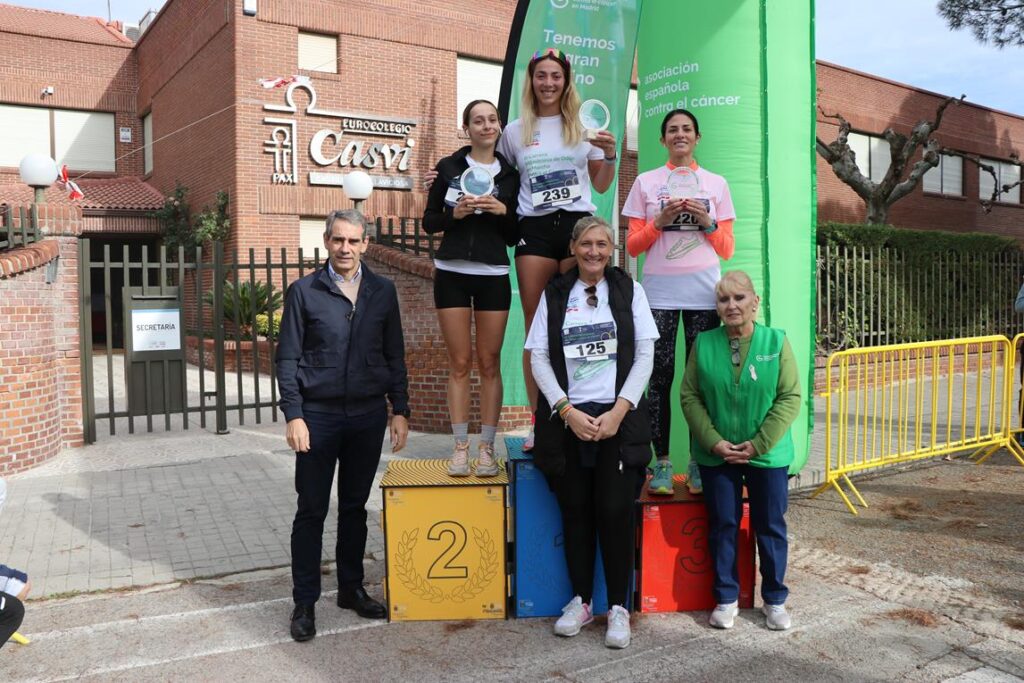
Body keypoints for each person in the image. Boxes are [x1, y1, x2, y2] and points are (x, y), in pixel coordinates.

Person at [525, 216, 659, 650]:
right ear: (573, 247)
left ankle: (618, 607)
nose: (594, 252)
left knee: (615, 513)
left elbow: (644, 355)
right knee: (576, 513)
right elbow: (539, 357)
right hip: (570, 422)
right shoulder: (556, 293)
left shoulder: (628, 290)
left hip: (617, 422)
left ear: (612, 249)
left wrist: (621, 410)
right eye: (586, 244)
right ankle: (581, 602)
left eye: (602, 244)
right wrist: (565, 410)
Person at [276, 209, 410, 642]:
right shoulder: (303, 292)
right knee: (311, 509)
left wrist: (401, 409)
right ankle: (304, 602)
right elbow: (287, 358)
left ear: (366, 244)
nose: (345, 249)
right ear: (327, 242)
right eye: (338, 241)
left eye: (353, 241)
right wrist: (293, 414)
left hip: (368, 415)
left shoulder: (383, 291)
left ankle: (351, 589)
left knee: (355, 507)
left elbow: (395, 355)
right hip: (317, 417)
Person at [497, 47, 619, 450]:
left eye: (556, 76)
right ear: (531, 81)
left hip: (575, 227)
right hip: (534, 230)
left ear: (567, 82)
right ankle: (539, 423)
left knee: (574, 325)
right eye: (541, 76)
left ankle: (578, 410)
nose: (548, 83)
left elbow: (601, 185)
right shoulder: (515, 131)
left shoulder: (584, 127)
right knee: (537, 331)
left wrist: (612, 154)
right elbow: (492, 174)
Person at [622, 109, 736, 497]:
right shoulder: (646, 182)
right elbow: (633, 246)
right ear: (662, 140)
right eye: (673, 130)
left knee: (702, 380)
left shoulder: (717, 184)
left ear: (697, 138)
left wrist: (707, 221)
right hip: (659, 295)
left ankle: (699, 462)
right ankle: (662, 464)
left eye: (687, 129)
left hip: (704, 294)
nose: (680, 135)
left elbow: (727, 247)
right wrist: (660, 221)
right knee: (659, 378)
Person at [680, 270, 801, 631]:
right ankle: (726, 598)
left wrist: (759, 443)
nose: (731, 306)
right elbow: (690, 395)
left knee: (771, 526)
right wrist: (713, 441)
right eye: (723, 299)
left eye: (739, 298)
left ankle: (775, 600)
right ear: (716, 307)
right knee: (723, 525)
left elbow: (790, 397)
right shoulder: (703, 343)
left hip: (767, 453)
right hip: (717, 454)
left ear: (754, 303)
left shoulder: (775, 342)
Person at [423, 99, 520, 476]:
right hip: (451, 272)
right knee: (460, 363)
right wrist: (454, 215)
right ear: (466, 128)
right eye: (477, 120)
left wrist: (504, 212)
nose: (485, 126)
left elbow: (515, 235)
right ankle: (460, 448)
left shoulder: (510, 175)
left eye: (491, 119)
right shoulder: (449, 168)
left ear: (499, 126)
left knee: (489, 362)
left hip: (494, 273)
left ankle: (487, 449)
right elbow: (429, 222)